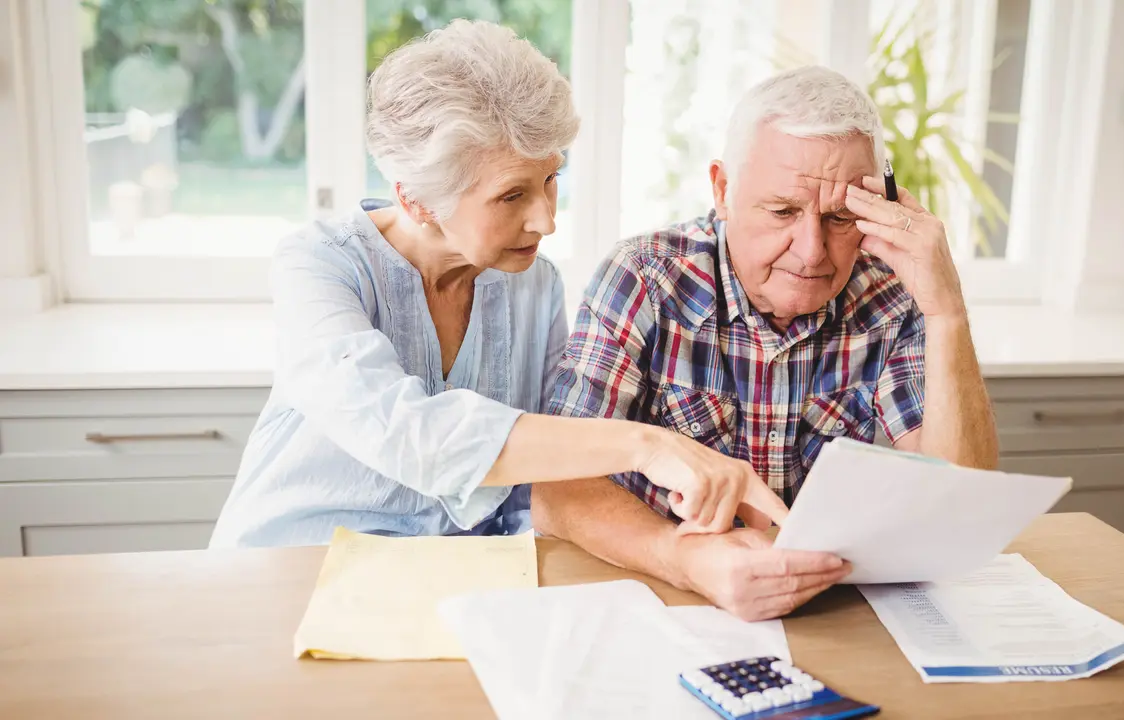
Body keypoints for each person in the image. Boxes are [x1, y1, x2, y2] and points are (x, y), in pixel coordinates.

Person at [209, 20, 786, 549]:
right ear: (416, 197)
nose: (546, 219)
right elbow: (406, 435)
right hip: (289, 568)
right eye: (512, 195)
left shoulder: (533, 285)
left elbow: (538, 476)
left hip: (450, 582)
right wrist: (650, 445)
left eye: (551, 179)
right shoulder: (319, 265)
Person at [534, 66, 999, 620]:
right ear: (723, 190)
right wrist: (687, 561)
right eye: (782, 211)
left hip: (824, 611)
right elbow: (556, 490)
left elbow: (959, 502)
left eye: (840, 216)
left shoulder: (891, 293)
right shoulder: (644, 276)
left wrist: (946, 310)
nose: (811, 252)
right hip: (661, 598)